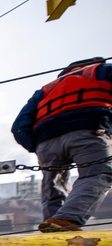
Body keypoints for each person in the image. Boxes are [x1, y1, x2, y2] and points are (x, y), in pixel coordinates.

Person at [11, 56, 112, 232]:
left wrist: (36, 146)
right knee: (97, 174)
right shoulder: (103, 71)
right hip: (89, 128)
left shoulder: (46, 89)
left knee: (52, 185)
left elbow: (19, 126)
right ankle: (67, 219)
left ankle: (53, 225)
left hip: (46, 140)